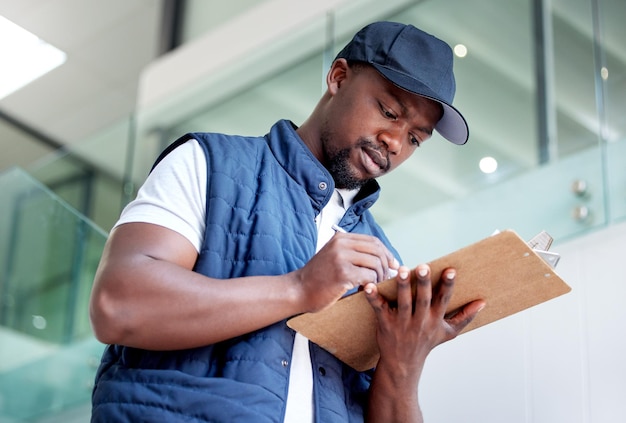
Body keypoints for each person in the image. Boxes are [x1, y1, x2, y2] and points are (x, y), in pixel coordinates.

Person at [89, 21, 485, 422]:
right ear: (338, 77)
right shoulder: (210, 164)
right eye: (388, 111)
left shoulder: (381, 260)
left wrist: (404, 360)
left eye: (416, 138)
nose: (396, 142)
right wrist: (298, 288)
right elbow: (117, 305)